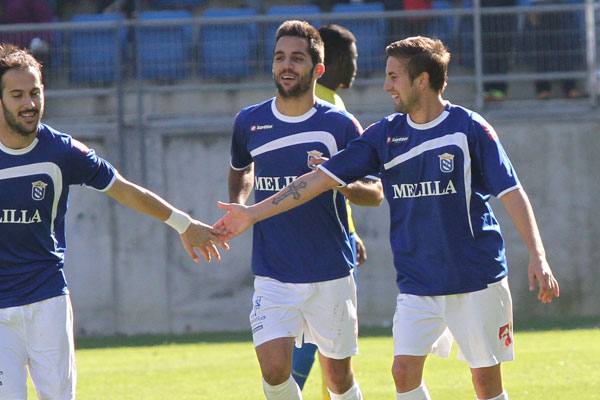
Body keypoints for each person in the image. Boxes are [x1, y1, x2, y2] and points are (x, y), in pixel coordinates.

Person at [216, 36, 560, 400]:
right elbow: (316, 180)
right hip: (417, 282)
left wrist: (537, 255)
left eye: (394, 77)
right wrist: (252, 213)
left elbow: (511, 191)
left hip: (475, 276)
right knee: (403, 373)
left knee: (486, 384)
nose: (386, 86)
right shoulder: (385, 135)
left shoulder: (469, 128)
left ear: (422, 80)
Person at [0, 43, 228, 399]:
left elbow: (124, 190)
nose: (29, 104)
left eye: (35, 92)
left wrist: (184, 224)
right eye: (17, 95)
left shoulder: (62, 151)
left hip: (47, 300)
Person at [226, 20, 383, 400]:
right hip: (273, 271)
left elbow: (375, 191)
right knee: (275, 371)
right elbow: (241, 170)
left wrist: (334, 178)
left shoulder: (340, 125)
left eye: (297, 58)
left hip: (329, 269)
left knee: (338, 380)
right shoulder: (249, 122)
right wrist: (239, 205)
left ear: (318, 69)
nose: (286, 65)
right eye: (280, 57)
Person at [291, 23, 365, 400]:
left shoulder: (312, 100)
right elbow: (322, 180)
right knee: (322, 338)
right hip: (321, 246)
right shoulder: (327, 108)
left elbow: (331, 182)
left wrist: (351, 230)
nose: (356, 67)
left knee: (321, 340)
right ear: (335, 60)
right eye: (352, 59)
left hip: (320, 237)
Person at [525, 0, 584, 99]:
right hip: (540, 8)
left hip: (561, 8)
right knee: (541, 50)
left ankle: (569, 87)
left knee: (564, 49)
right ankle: (543, 89)